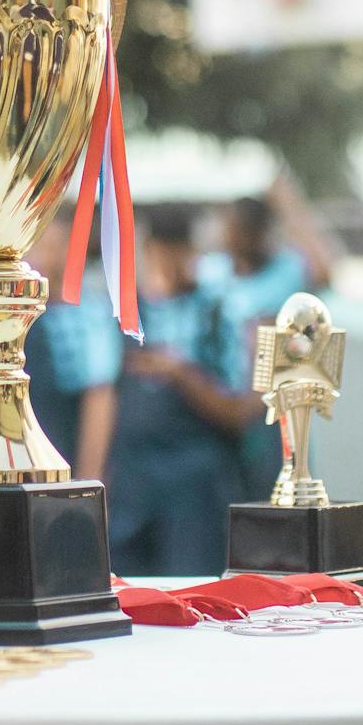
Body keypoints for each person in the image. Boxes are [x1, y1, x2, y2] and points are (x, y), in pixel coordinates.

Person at [110, 207, 258, 576]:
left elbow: (238, 410)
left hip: (196, 482)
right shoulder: (119, 312)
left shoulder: (218, 312)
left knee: (193, 586)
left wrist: (180, 373)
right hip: (131, 481)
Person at [199, 174, 341, 495]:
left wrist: (290, 206)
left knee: (274, 495)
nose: (235, 237)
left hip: (271, 410)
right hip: (218, 403)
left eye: (244, 230)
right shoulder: (213, 271)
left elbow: (325, 270)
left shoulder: (285, 271)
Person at [22, 213, 121, 480]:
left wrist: (89, 475)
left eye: (49, 247)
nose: (38, 258)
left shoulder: (90, 313)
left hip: (65, 442)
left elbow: (99, 396)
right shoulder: (22, 310)